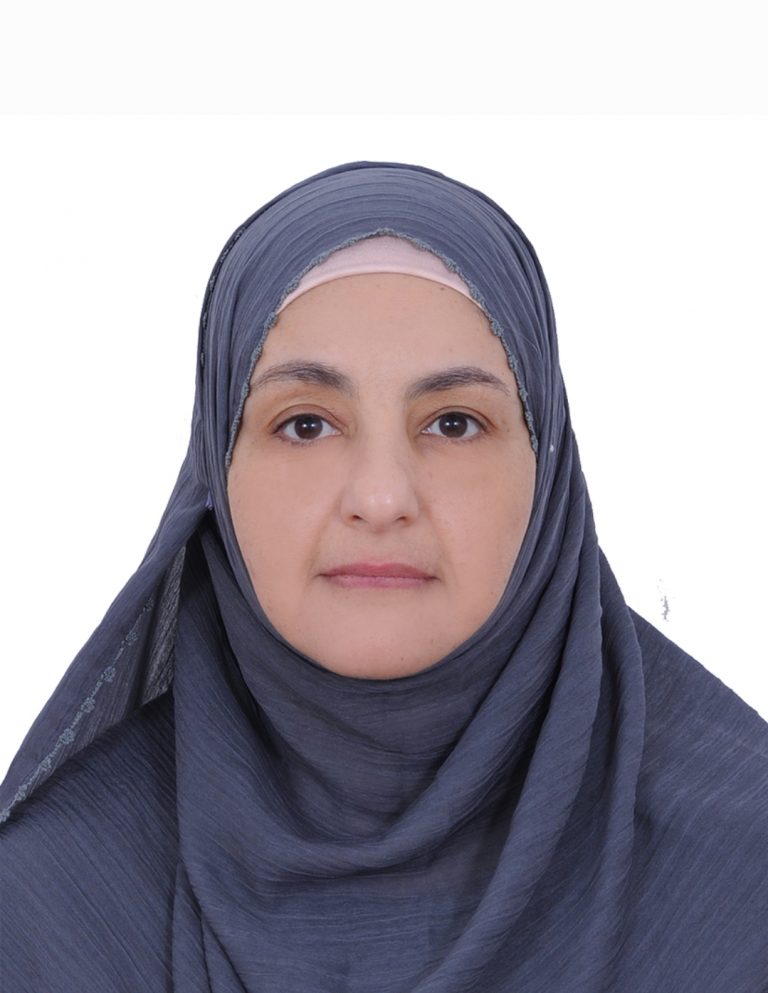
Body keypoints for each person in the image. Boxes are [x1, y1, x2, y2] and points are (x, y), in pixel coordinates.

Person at [1, 161, 766, 993]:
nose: (380, 497)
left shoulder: (742, 870)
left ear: (545, 467)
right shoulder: (48, 898)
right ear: (218, 469)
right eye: (306, 424)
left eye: (453, 422)